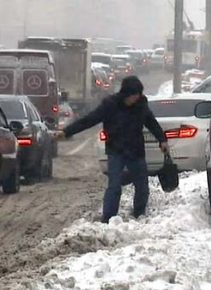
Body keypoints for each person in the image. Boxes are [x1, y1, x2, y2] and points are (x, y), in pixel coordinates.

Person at [55, 76, 169, 223]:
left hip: (136, 151)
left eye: (139, 95)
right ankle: (108, 218)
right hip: (116, 151)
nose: (137, 98)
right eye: (134, 95)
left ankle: (139, 214)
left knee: (142, 186)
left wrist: (162, 139)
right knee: (114, 186)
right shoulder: (110, 104)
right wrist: (66, 132)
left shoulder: (141, 104)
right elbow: (89, 120)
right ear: (126, 94)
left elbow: (151, 122)